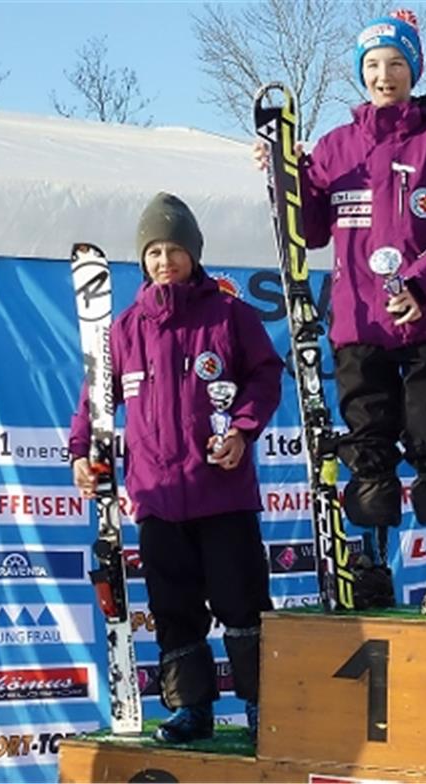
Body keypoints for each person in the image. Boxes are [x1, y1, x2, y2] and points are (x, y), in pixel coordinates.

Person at [254, 8, 426, 614]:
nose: (384, 75)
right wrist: (288, 180)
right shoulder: (337, 148)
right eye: (373, 66)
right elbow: (307, 233)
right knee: (368, 443)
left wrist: (420, 281)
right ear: (360, 74)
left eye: (395, 64)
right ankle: (373, 563)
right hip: (359, 324)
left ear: (414, 68)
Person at [69, 192, 283, 744]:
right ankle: (191, 708)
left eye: (175, 250)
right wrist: (81, 452)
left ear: (194, 254)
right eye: (155, 251)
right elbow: (95, 398)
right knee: (173, 607)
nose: (165, 261)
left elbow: (265, 376)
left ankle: (263, 704)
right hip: (157, 497)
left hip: (223, 494)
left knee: (241, 603)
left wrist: (242, 429)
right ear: (143, 259)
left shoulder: (229, 314)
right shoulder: (126, 327)